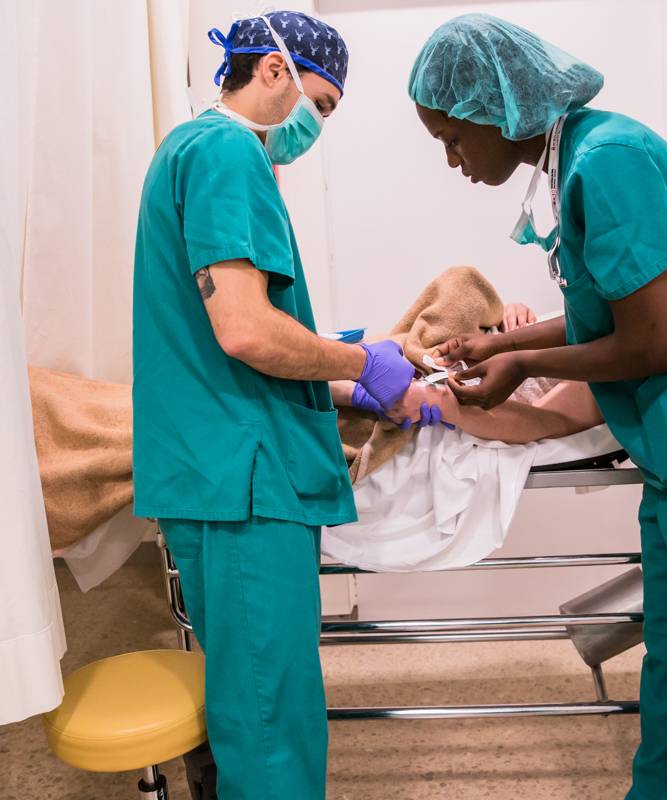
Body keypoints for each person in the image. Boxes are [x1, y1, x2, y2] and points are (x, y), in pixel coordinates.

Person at [408, 15, 667, 800]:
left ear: (496, 108)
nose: (453, 161)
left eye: (453, 138)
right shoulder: (577, 163)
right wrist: (499, 348)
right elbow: (611, 309)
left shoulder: (608, 162)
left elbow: (652, 342)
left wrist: (523, 360)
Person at [131, 11, 427, 799]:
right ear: (273, 71)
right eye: (320, 105)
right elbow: (245, 330)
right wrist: (367, 360)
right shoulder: (229, 154)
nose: (315, 127)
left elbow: (227, 337)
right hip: (242, 483)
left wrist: (349, 381)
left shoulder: (189, 150)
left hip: (222, 468)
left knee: (252, 702)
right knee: (270, 721)